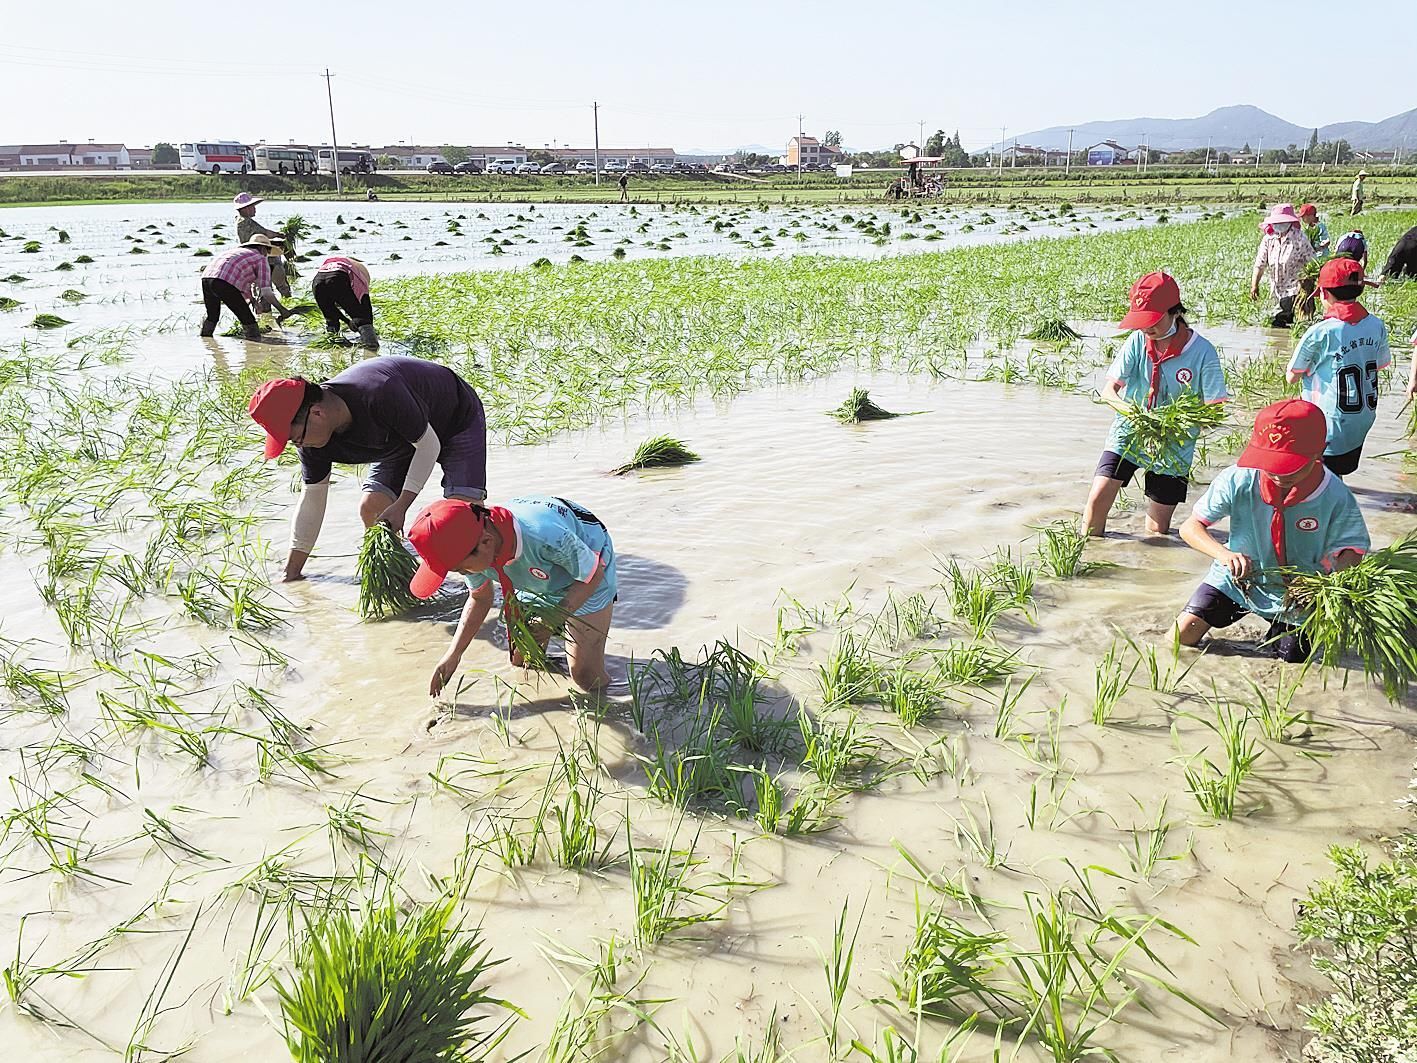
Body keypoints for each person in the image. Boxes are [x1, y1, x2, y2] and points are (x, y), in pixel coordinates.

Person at [247, 356, 488, 582]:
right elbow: (313, 500)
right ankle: (400, 579)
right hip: (399, 439)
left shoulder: (379, 391)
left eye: (295, 438)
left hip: (455, 417)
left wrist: (401, 505)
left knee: (464, 513)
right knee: (372, 508)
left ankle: (481, 592)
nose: (298, 445)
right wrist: (292, 573)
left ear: (317, 412)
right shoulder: (311, 439)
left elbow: (428, 445)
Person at [1174, 398, 1368, 663]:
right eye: (1271, 463)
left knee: (1292, 663)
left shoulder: (1334, 495)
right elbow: (1190, 527)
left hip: (1299, 595)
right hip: (1237, 579)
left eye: (1289, 465)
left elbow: (1353, 551)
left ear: (1318, 452)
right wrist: (1224, 555)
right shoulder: (1239, 478)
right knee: (1180, 638)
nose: (1278, 474)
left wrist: (1325, 585)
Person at [408, 497, 616, 695]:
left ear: (486, 543)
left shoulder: (546, 536)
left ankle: (619, 705)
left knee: (586, 677)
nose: (463, 574)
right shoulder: (474, 546)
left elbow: (593, 573)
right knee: (522, 659)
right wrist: (453, 655)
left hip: (589, 569)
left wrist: (554, 618)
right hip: (534, 573)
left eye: (462, 570)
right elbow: (480, 599)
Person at [1084, 272, 1229, 537]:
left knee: (1157, 531)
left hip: (1174, 444)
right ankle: (1088, 554)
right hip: (1129, 432)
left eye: (1152, 320)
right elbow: (1109, 391)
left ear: (1174, 311)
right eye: (1140, 321)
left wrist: (1180, 422)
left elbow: (1214, 411)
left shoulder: (1202, 352)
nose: (1146, 328)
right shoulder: (1138, 341)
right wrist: (1134, 414)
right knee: (1097, 499)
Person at [1285, 258, 1391, 476]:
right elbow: (1380, 364)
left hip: (1327, 423)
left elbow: (1291, 377)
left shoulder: (1321, 332)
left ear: (1324, 293)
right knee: (1337, 474)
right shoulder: (1376, 325)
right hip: (1362, 419)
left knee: (1319, 481)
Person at [199, 235, 287, 339]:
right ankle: (254, 348)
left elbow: (240, 282)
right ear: (263, 249)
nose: (267, 255)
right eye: (267, 252)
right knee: (248, 320)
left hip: (206, 278)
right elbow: (266, 291)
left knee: (212, 316)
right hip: (223, 282)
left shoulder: (236, 252)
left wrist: (253, 300)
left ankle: (206, 342)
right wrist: (282, 310)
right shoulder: (260, 258)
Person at [1250, 203, 1315, 328]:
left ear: (1290, 222)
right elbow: (1260, 264)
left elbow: (1312, 262)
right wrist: (1254, 285)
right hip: (1276, 290)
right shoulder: (1269, 239)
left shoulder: (1299, 238)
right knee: (1276, 325)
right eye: (1277, 223)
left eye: (1282, 222)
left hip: (1295, 290)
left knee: (1296, 324)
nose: (1279, 226)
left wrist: (1308, 287)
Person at [312, 255, 378, 349]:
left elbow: (332, 308)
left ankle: (333, 343)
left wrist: (348, 322)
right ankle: (370, 345)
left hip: (317, 282)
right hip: (338, 278)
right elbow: (364, 302)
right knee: (362, 316)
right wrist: (365, 323)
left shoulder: (334, 263)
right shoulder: (359, 274)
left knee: (330, 318)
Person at [233, 192, 290, 298]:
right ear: (245, 208)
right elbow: (265, 234)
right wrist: (280, 235)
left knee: (261, 290)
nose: (255, 209)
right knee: (281, 287)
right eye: (252, 206)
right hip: (265, 259)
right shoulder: (246, 222)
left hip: (252, 260)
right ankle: (288, 307)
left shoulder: (239, 220)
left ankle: (266, 314)